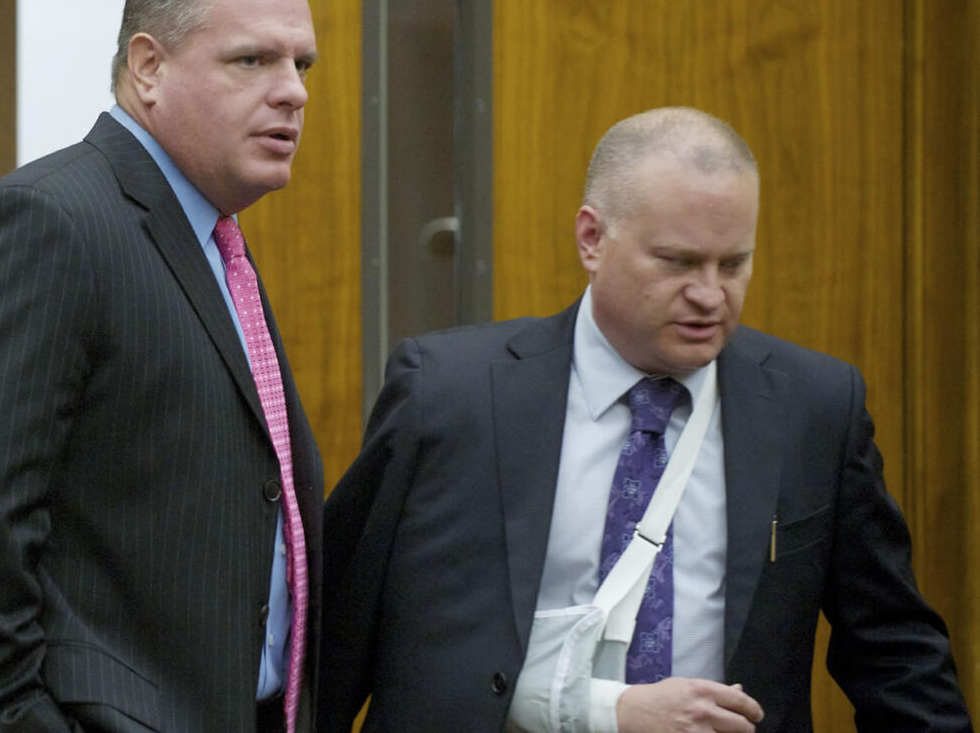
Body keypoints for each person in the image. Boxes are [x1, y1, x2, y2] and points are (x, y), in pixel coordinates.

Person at [318, 107, 973, 733]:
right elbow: (341, 632)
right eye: (678, 262)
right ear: (592, 239)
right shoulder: (451, 393)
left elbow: (892, 648)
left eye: (733, 263)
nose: (710, 294)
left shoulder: (814, 404)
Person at [0, 0, 322, 733]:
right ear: (148, 67)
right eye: (251, 61)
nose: (292, 91)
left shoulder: (213, 243)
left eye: (302, 65)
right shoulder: (44, 223)